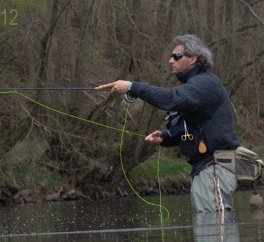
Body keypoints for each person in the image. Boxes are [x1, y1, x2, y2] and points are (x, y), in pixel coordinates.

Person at [96, 34, 240, 212]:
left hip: (215, 168)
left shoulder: (206, 83)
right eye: (171, 57)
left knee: (215, 225)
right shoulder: (196, 86)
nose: (170, 61)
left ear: (193, 59)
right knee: (210, 226)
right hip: (206, 168)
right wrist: (165, 137)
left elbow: (172, 98)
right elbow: (192, 126)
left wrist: (133, 87)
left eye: (176, 57)